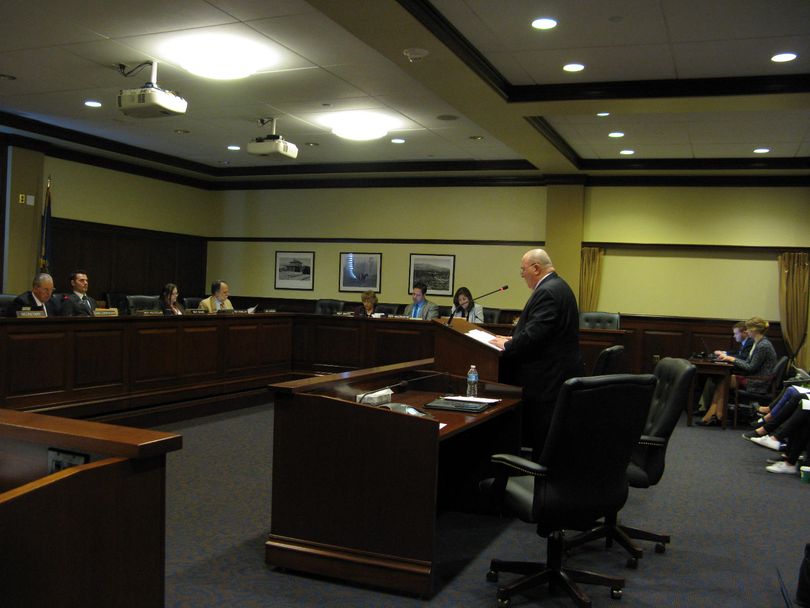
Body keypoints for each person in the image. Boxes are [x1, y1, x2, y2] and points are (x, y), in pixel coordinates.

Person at [490, 248, 584, 455]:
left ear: (536, 268)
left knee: (544, 438)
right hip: (554, 373)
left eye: (523, 270)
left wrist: (507, 345)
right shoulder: (558, 286)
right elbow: (543, 332)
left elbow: (535, 336)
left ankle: (539, 477)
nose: (522, 274)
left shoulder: (547, 292)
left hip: (547, 378)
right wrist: (514, 338)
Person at [697, 316, 777, 426]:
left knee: (724, 380)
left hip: (758, 382)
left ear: (754, 330)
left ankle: (716, 415)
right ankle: (716, 414)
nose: (747, 331)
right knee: (723, 379)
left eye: (748, 329)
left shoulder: (763, 345)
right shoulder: (759, 343)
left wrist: (732, 359)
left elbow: (750, 367)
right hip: (753, 377)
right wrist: (732, 359)